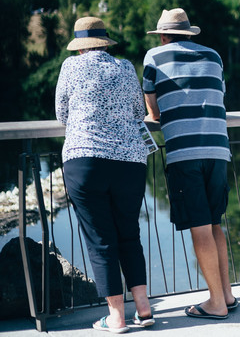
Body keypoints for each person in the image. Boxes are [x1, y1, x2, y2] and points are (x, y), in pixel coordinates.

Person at [56, 17, 154, 333]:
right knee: (129, 234)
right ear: (105, 42)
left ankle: (117, 318)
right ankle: (144, 309)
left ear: (80, 46)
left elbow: (62, 114)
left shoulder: (70, 67)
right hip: (130, 161)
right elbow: (139, 113)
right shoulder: (125, 67)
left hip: (86, 161)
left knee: (101, 241)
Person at [142, 8, 237, 319]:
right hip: (218, 149)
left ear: (164, 36)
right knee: (214, 223)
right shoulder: (213, 56)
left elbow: (153, 111)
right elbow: (220, 94)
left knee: (199, 228)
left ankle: (215, 304)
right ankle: (226, 295)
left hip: (185, 152)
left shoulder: (154, 57)